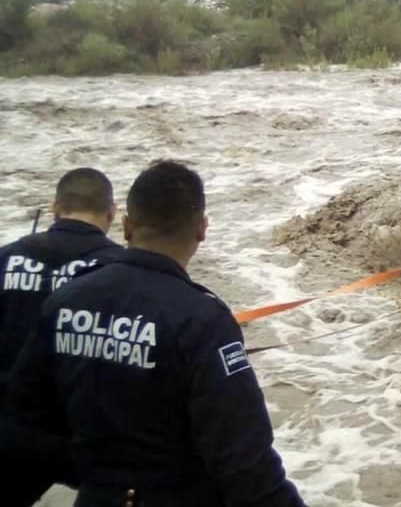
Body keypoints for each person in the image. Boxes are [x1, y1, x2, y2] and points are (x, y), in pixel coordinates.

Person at [8, 161, 306, 507]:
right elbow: (244, 459)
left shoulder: (66, 300)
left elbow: (27, 412)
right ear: (202, 229)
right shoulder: (203, 320)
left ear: (126, 226)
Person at [0, 168, 124, 507]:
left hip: (12, 429)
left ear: (55, 208)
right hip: (92, 438)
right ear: (111, 213)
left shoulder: (6, 257)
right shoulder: (122, 271)